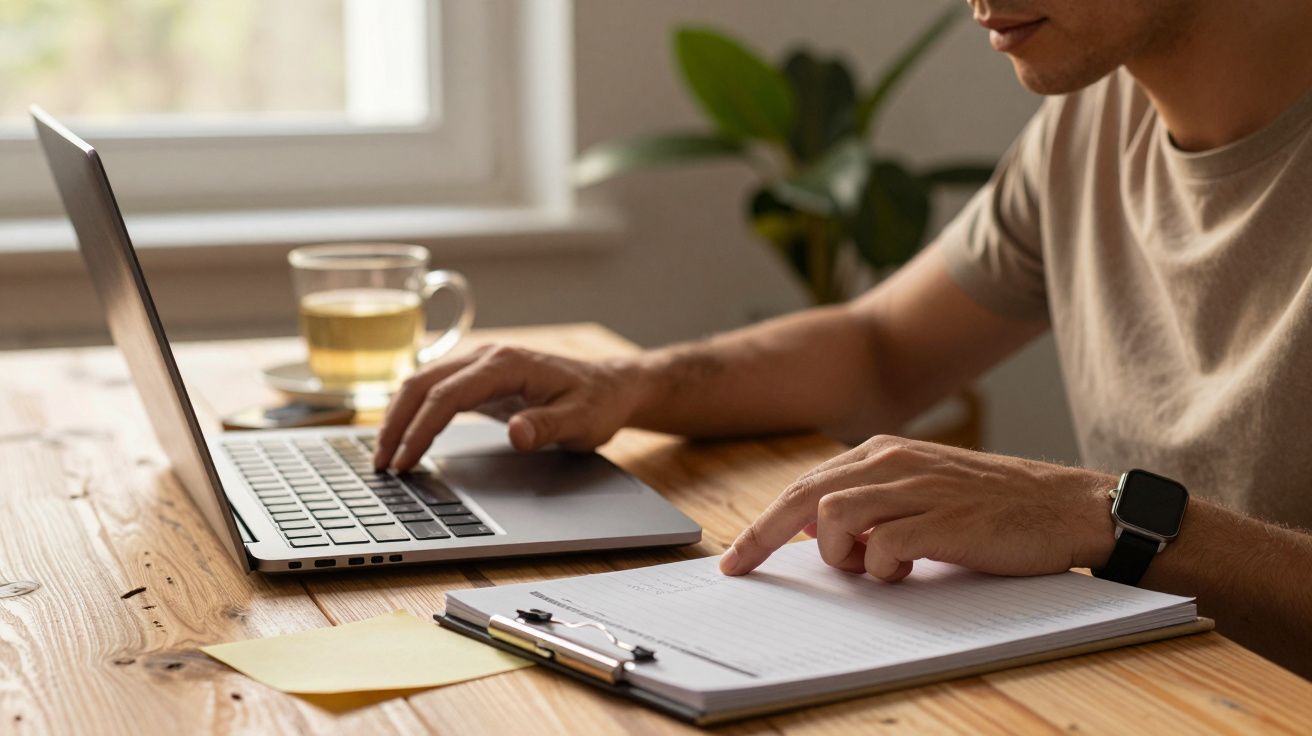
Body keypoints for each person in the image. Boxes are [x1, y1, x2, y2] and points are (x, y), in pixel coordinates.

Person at [374, 0, 1312, 677]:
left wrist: (1111, 517)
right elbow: (880, 348)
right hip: (1168, 691)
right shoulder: (1087, 126)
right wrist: (633, 384)